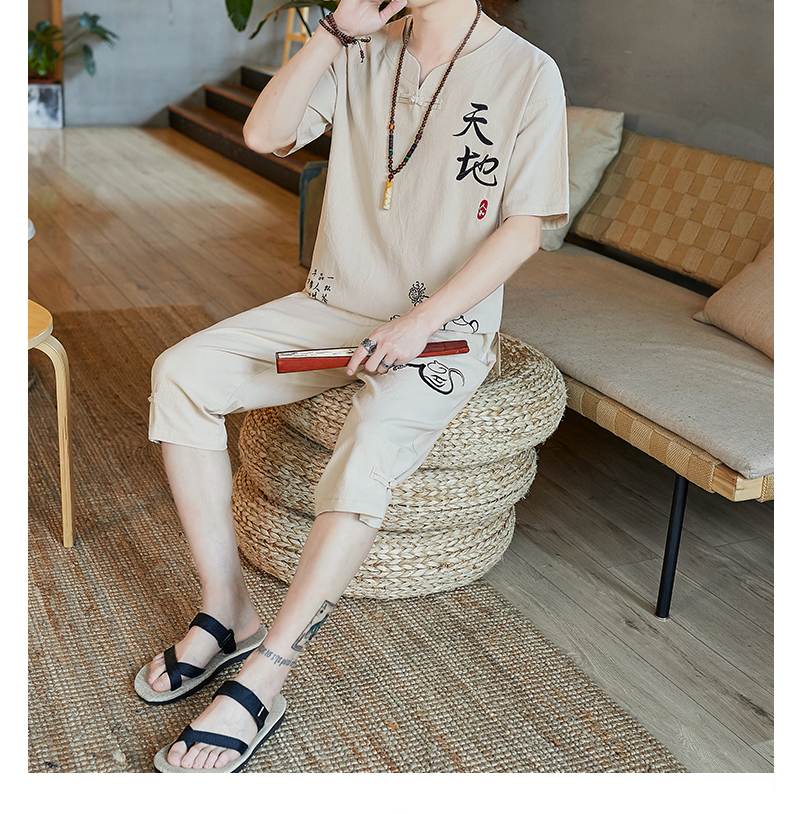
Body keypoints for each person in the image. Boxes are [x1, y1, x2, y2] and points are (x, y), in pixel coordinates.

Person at [138, 0, 569, 772]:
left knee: (369, 447)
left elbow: (525, 226)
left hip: (443, 328)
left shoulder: (527, 73)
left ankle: (267, 672)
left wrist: (420, 322)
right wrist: (335, 34)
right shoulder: (364, 50)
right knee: (182, 375)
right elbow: (264, 136)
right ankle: (227, 607)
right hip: (333, 306)